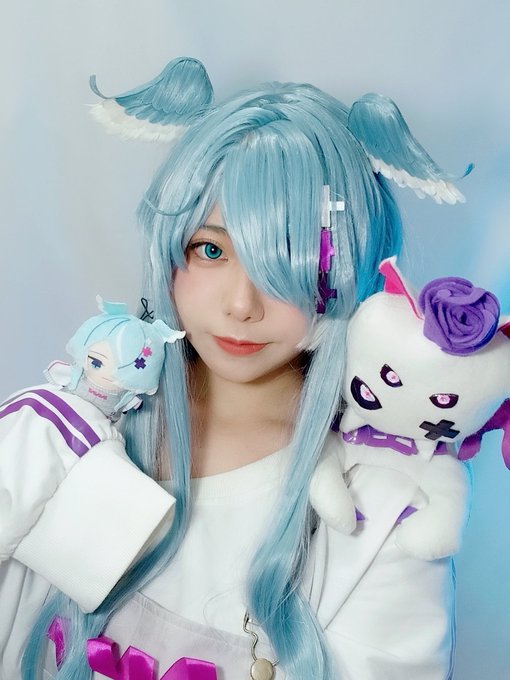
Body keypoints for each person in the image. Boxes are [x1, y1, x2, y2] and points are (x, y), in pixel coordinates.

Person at [1, 57, 468, 679]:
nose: (242, 305)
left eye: (285, 261)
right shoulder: (71, 429)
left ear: (347, 272)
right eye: (211, 249)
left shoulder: (381, 511)